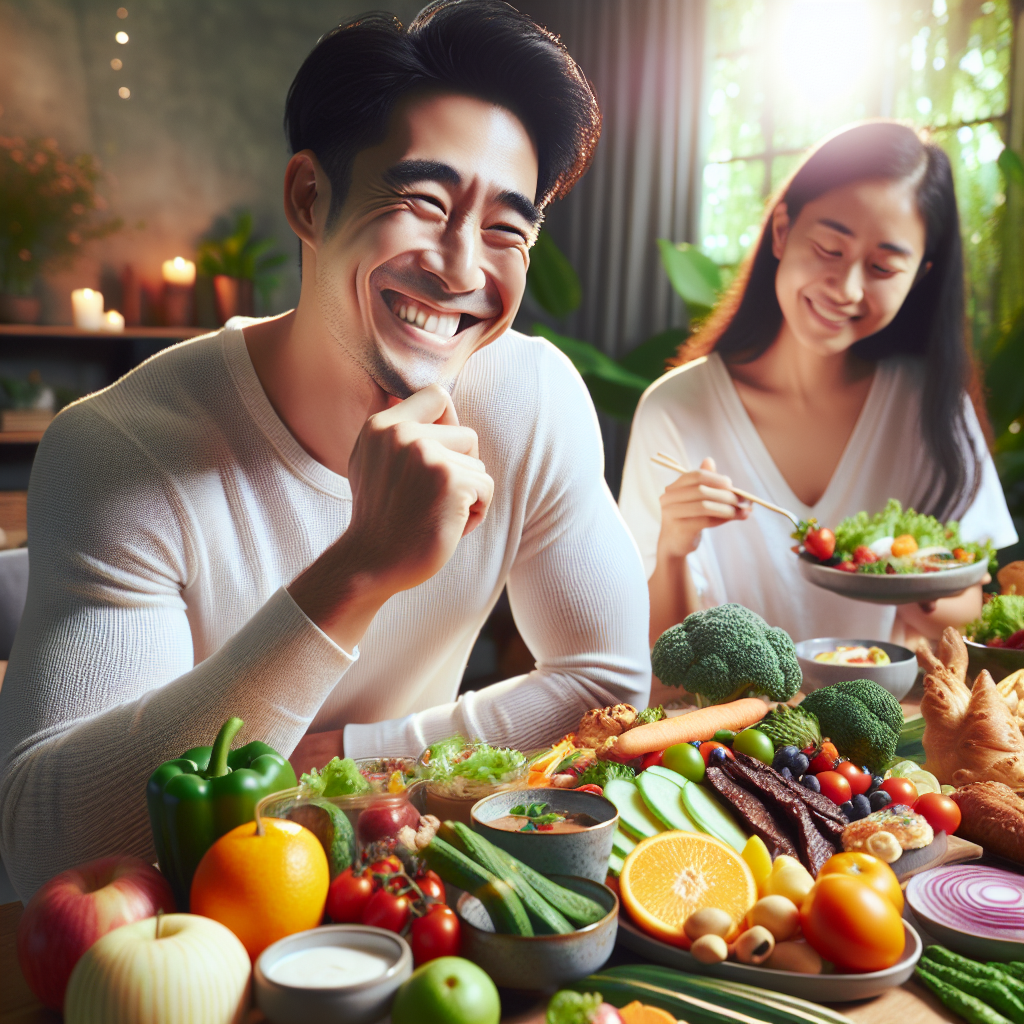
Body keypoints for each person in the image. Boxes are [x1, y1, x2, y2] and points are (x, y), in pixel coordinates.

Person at [0, 1, 650, 900]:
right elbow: (45, 851)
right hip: (186, 930)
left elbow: (607, 684)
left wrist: (349, 759)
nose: (462, 268)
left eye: (507, 228)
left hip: (407, 899)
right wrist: (355, 573)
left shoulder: (530, 398)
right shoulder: (120, 451)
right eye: (423, 201)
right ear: (310, 199)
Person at [619, 121, 1017, 666]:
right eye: (830, 248)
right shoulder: (676, 410)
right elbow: (656, 651)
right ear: (782, 231)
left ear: (918, 277)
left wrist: (910, 577)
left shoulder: (931, 408)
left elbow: (968, 606)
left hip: (891, 727)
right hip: (731, 735)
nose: (847, 288)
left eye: (882, 267)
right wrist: (673, 549)